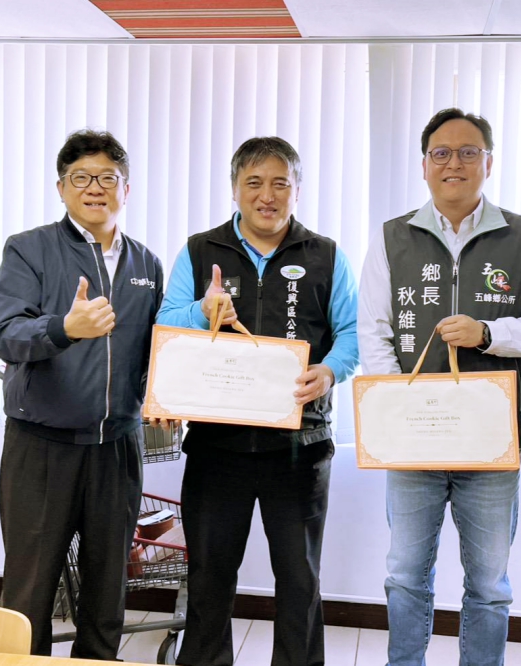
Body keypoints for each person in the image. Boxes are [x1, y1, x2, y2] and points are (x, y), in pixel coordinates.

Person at [357, 108, 521, 666]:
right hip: (413, 443)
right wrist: (402, 409)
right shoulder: (392, 237)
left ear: (488, 163)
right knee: (405, 575)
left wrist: (488, 333)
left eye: (469, 152)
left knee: (490, 584)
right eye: (441, 153)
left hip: (490, 445)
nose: (454, 163)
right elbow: (374, 331)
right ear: (424, 164)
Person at [157, 136, 359, 666]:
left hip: (300, 446)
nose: (266, 196)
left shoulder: (326, 255)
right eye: (254, 183)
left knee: (299, 579)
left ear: (297, 190)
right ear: (234, 189)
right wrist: (202, 310)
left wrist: (330, 371)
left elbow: (352, 332)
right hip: (217, 447)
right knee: (209, 576)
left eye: (279, 184)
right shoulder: (200, 251)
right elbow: (166, 324)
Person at [0, 130, 163, 658]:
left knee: (108, 592)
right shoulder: (29, 249)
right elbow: (7, 335)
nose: (95, 188)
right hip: (41, 447)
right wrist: (64, 327)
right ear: (61, 188)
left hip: (117, 448)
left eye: (108, 177)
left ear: (126, 189)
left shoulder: (146, 264)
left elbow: (157, 352)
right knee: (30, 592)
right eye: (81, 177)